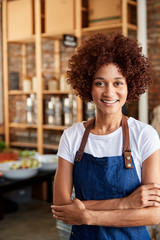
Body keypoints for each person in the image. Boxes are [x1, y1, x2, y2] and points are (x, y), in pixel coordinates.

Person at [51, 33, 160, 239]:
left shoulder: (145, 136)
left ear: (130, 86)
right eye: (100, 83)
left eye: (118, 83)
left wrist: (87, 216)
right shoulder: (72, 136)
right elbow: (61, 208)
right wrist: (125, 203)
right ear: (88, 87)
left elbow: (154, 215)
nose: (109, 93)